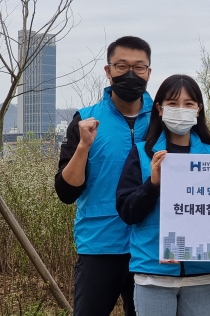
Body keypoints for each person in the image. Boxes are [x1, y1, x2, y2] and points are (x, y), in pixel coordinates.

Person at [54, 36, 153, 316]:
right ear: (108, 71)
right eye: (122, 66)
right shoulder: (85, 120)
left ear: (149, 73)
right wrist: (84, 146)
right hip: (99, 245)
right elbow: (66, 192)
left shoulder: (162, 121)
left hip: (149, 246)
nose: (131, 74)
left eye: (139, 67)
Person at [115, 75, 210, 316]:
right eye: (172, 104)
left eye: (188, 104)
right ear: (160, 109)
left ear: (199, 110)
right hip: (154, 272)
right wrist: (152, 185)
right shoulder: (143, 153)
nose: (181, 110)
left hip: (201, 274)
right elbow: (127, 211)